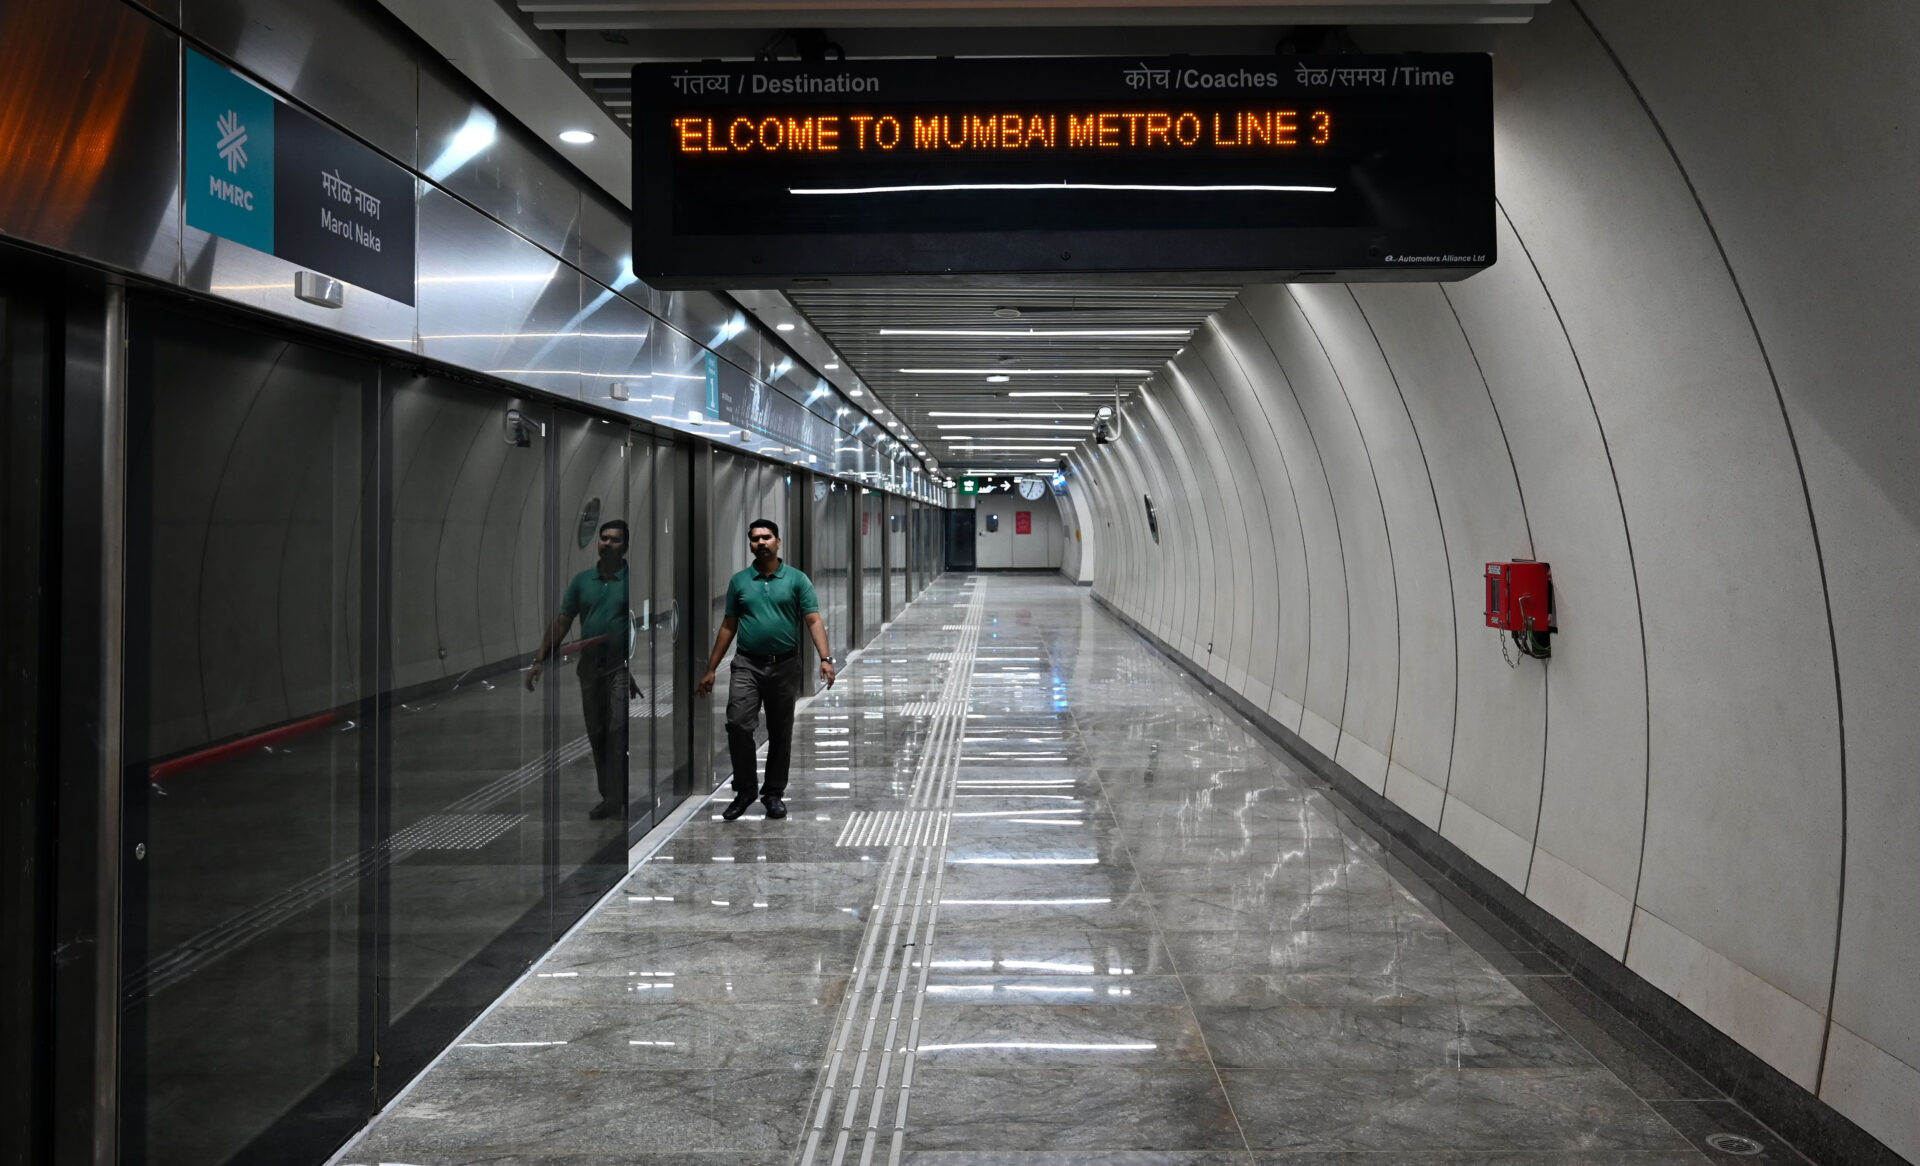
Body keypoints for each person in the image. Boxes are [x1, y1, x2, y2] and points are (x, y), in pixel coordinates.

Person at [696, 518, 835, 820]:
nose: (761, 542)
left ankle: (772, 793)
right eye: (755, 538)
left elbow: (813, 619)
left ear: (778, 542)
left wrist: (825, 658)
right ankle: (745, 789)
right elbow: (728, 625)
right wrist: (711, 668)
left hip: (784, 665)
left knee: (780, 731)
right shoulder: (740, 582)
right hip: (746, 664)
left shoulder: (797, 580)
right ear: (750, 544)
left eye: (767, 537)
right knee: (738, 724)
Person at [527, 519, 635, 820]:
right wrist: (540, 659)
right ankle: (611, 796)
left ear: (625, 547)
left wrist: (633, 665)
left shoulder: (630, 580)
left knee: (616, 732)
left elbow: (639, 623)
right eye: (603, 538)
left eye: (614, 540)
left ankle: (620, 793)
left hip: (619, 668)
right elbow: (563, 621)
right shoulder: (582, 581)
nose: (607, 543)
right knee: (597, 732)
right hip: (589, 669)